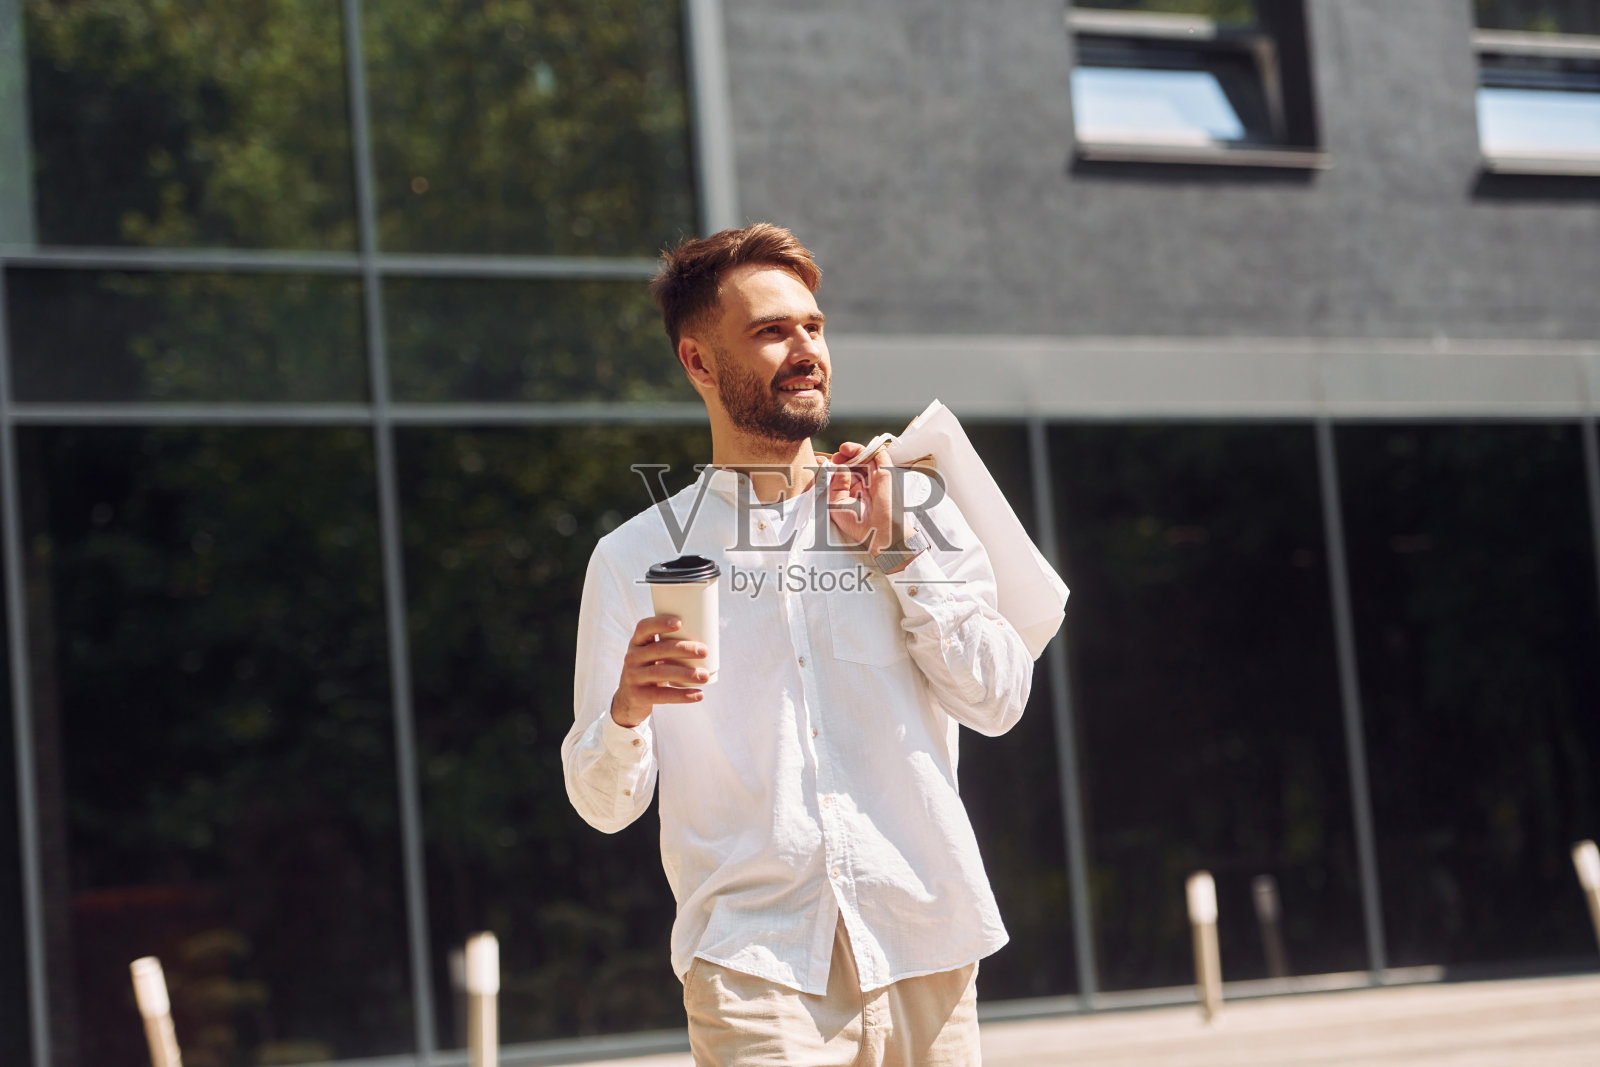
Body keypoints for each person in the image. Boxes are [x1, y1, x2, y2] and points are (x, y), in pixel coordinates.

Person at [562, 223, 1034, 1066]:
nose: (805, 348)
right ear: (699, 363)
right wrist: (626, 712)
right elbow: (603, 803)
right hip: (755, 965)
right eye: (772, 331)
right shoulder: (634, 559)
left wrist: (898, 554)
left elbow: (999, 700)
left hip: (925, 940)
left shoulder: (911, 509)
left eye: (812, 326)